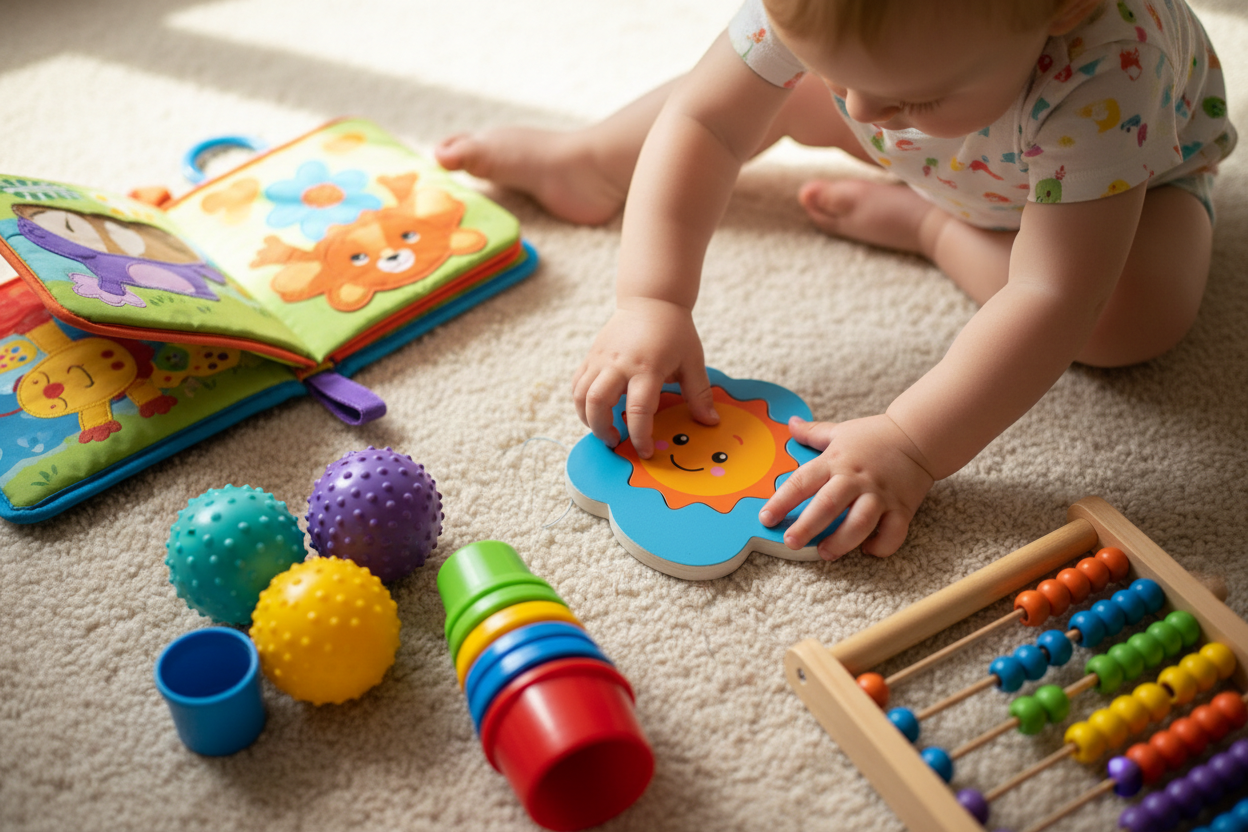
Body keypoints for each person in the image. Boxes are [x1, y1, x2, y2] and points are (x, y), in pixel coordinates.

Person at [435, 0, 1235, 561]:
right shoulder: (848, 38)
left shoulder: (1109, 69)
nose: (865, 110)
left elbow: (1053, 294)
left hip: (1122, 184)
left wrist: (913, 443)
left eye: (912, 93)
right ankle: (588, 160)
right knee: (762, 97)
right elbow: (707, 122)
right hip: (951, 147)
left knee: (1131, 321)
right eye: (839, 75)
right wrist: (652, 297)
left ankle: (934, 229)